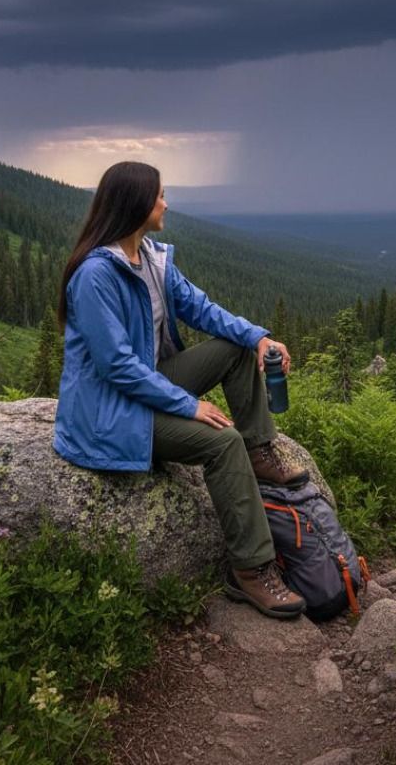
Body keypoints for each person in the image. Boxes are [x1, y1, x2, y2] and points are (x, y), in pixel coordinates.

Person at [54, 160, 308, 619]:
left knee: (233, 346)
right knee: (220, 441)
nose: (166, 203)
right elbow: (117, 368)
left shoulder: (151, 257)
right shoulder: (96, 276)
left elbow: (202, 309)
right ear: (136, 204)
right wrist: (188, 405)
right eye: (159, 196)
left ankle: (260, 449)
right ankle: (250, 571)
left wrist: (258, 337)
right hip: (111, 411)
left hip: (147, 387)